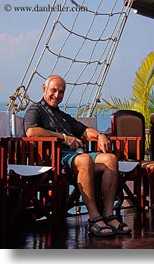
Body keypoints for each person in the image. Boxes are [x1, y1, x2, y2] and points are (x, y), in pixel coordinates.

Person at [24, 75, 131, 237]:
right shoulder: (35, 110)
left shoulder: (63, 116)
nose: (57, 95)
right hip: (56, 156)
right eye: (53, 90)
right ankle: (94, 217)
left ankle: (108, 214)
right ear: (44, 88)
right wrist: (65, 138)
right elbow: (31, 132)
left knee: (110, 159)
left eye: (61, 92)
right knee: (85, 159)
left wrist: (101, 135)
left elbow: (84, 130)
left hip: (77, 156)